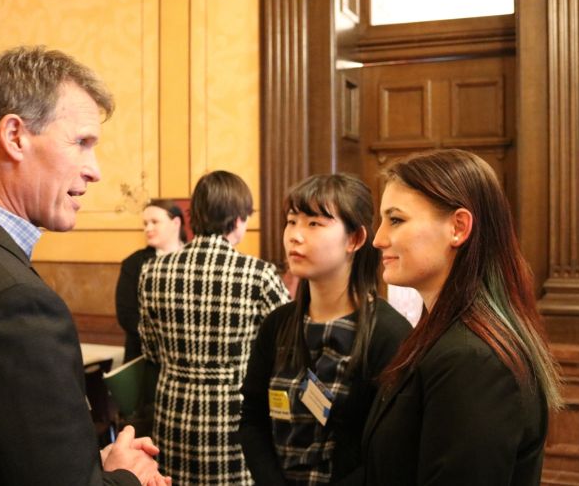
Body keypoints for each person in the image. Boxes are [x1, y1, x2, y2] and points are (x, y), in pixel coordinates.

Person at [0, 46, 170, 486]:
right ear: (15, 136)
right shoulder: (13, 304)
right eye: (81, 142)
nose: (94, 171)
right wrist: (123, 474)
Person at [362, 149, 563, 485]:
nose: (379, 238)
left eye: (396, 219)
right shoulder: (441, 332)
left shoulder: (472, 358)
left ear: (458, 227)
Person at [239, 173, 412, 485]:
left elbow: (391, 451)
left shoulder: (388, 334)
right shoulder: (277, 325)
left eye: (314, 224)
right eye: (292, 221)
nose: (295, 235)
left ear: (355, 239)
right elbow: (253, 418)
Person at [139, 170, 291, 485]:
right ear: (237, 219)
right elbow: (286, 349)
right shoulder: (258, 274)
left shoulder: (152, 272)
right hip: (234, 416)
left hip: (173, 412)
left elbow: (150, 351)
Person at [116, 199, 187, 363]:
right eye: (145, 223)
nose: (148, 228)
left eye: (155, 222)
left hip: (187, 357)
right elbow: (126, 315)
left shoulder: (196, 259)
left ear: (175, 223)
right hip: (144, 356)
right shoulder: (133, 263)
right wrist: (162, 343)